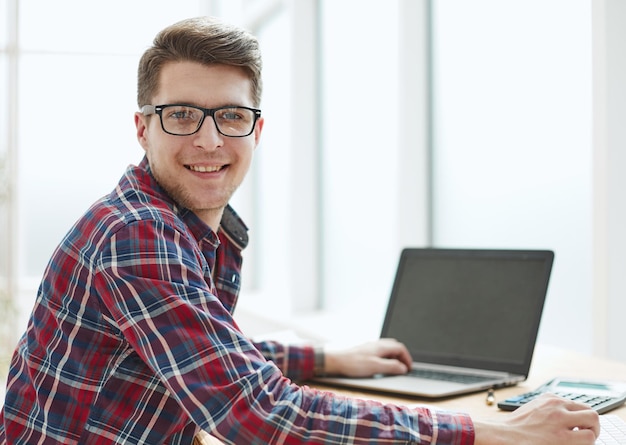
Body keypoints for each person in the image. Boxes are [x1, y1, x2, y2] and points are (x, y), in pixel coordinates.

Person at [0, 16, 599, 445]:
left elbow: (208, 356)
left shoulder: (179, 227)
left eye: (231, 116)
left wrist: (331, 357)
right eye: (181, 115)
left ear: (256, 130)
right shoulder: (136, 237)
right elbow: (256, 414)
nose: (209, 141)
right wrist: (495, 431)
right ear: (142, 127)